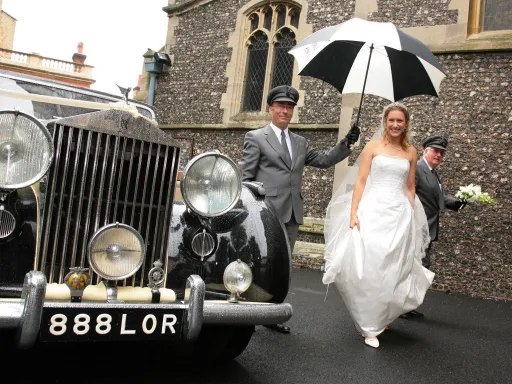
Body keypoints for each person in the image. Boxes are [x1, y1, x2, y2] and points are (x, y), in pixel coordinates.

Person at [242, 85, 360, 333]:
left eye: (290, 106)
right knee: (258, 262)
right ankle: (248, 313)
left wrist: (346, 142)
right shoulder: (255, 138)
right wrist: (251, 209)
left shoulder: (300, 142)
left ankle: (273, 314)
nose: (285, 110)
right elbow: (246, 179)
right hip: (265, 213)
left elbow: (325, 160)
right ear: (271, 108)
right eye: (281, 106)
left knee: (282, 267)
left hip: (292, 212)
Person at [322, 103, 434, 348]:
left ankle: (382, 315)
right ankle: (369, 324)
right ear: (385, 121)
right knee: (371, 263)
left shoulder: (411, 152)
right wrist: (353, 213)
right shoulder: (372, 147)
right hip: (373, 210)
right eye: (391, 120)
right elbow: (361, 181)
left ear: (406, 124)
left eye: (400, 121)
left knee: (394, 267)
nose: (395, 125)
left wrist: (410, 212)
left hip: (399, 214)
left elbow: (411, 186)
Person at [400, 135, 465, 319]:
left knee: (420, 266)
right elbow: (407, 195)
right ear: (425, 151)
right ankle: (401, 307)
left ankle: (407, 306)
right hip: (416, 228)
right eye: (435, 151)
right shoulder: (418, 169)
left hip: (427, 229)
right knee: (413, 267)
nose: (439, 155)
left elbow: (438, 199)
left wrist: (460, 201)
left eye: (442, 152)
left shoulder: (433, 173)